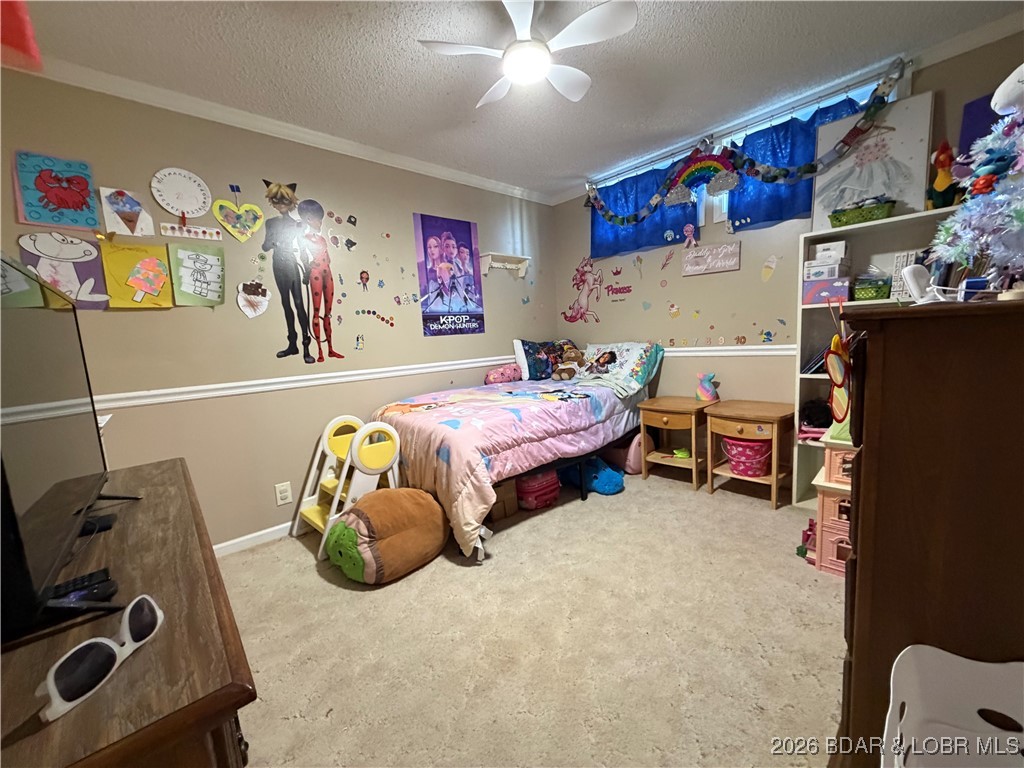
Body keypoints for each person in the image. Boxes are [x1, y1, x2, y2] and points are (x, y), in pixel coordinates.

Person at [262, 180, 313, 363]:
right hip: (278, 263)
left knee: (299, 303)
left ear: (291, 203)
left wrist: (307, 270)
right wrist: (273, 241)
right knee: (285, 304)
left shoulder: (297, 225)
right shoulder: (270, 223)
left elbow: (303, 247)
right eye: (277, 201)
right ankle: (293, 344)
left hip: (291, 262)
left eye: (284, 201)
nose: (280, 205)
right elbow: (265, 246)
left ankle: (306, 345)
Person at [298, 198, 343, 362]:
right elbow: (303, 256)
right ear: (309, 219)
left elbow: (328, 257)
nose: (321, 222)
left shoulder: (323, 239)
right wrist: (307, 269)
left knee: (328, 314)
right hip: (316, 272)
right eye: (318, 218)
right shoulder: (304, 238)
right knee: (316, 313)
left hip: (327, 272)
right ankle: (320, 352)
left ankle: (330, 349)